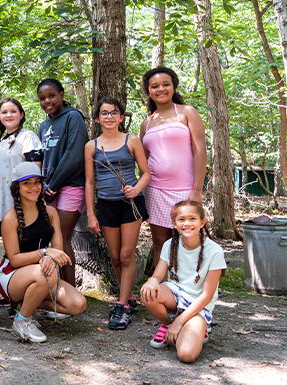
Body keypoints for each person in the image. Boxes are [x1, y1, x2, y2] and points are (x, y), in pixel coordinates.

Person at [0, 162, 87, 342]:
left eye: (37, 182)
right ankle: (22, 320)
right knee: (47, 274)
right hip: (11, 275)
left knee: (78, 304)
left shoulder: (51, 213)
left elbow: (58, 248)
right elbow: (14, 259)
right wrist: (44, 253)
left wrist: (50, 259)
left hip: (42, 272)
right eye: (26, 183)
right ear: (16, 187)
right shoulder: (9, 218)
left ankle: (29, 303)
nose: (33, 187)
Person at [84, 97, 151, 330]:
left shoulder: (132, 141)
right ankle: (129, 296)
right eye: (104, 113)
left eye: (114, 113)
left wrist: (136, 189)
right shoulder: (91, 146)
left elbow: (146, 173)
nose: (109, 116)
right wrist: (91, 215)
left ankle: (122, 305)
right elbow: (90, 182)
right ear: (97, 118)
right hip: (106, 205)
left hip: (130, 205)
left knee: (126, 255)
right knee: (114, 257)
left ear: (121, 117)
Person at [140, 200, 225, 363]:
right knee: (148, 292)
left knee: (186, 355)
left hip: (199, 305)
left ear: (202, 222)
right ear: (174, 224)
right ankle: (166, 325)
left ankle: (194, 327)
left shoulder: (215, 251)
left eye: (192, 219)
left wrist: (179, 322)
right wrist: (152, 280)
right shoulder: (170, 245)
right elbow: (158, 276)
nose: (187, 223)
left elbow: (207, 296)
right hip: (175, 295)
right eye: (181, 219)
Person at [140, 67, 207, 269]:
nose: (161, 89)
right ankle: (165, 287)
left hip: (185, 191)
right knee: (161, 243)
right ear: (149, 91)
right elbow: (144, 161)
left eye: (166, 84)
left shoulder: (187, 112)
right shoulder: (146, 123)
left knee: (189, 242)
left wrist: (196, 190)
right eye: (155, 86)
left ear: (173, 86)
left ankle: (192, 287)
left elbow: (200, 151)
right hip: (155, 191)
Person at [0, 97, 42, 314]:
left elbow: (35, 168)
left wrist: (30, 198)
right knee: (12, 248)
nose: (8, 115)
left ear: (21, 114)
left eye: (13, 111)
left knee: (25, 247)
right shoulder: (1, 140)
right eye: (4, 112)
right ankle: (15, 290)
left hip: (21, 202)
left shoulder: (27, 137)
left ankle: (26, 296)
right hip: (2, 202)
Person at [36, 79, 89, 288]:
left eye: (51, 96)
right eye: (42, 98)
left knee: (62, 237)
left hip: (70, 185)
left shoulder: (73, 117)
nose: (47, 101)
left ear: (61, 94)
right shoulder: (43, 125)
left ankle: (70, 290)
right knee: (51, 238)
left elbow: (74, 155)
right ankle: (54, 287)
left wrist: (53, 185)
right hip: (49, 188)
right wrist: (43, 186)